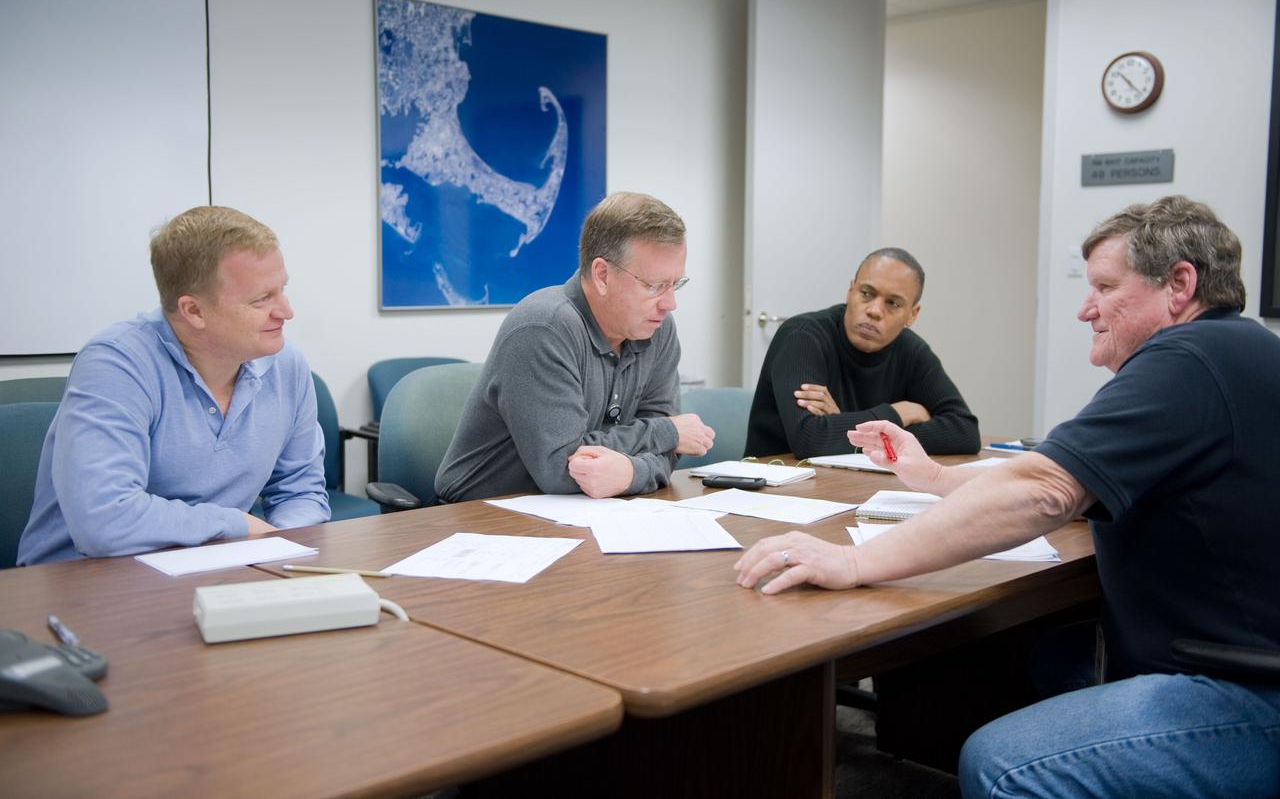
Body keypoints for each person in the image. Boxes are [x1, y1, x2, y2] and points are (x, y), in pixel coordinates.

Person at [735, 196, 1280, 796]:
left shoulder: (1184, 360)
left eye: (1103, 286)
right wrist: (938, 480)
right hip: (1231, 660)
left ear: (1179, 284)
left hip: (1239, 690)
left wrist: (855, 560)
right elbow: (1061, 469)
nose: (1084, 309)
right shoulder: (1240, 351)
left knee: (1003, 760)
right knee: (1042, 661)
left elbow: (1044, 489)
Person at [18, 206, 330, 565]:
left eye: (282, 290)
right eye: (262, 299)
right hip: (85, 580)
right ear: (193, 311)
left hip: (214, 567)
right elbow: (105, 520)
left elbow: (301, 491)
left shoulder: (286, 364)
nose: (286, 311)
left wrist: (284, 548)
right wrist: (235, 525)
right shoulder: (116, 363)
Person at [435, 191, 715, 502]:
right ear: (602, 275)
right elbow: (560, 468)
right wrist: (667, 433)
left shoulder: (656, 327)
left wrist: (631, 473)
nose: (670, 303)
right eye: (654, 286)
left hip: (585, 510)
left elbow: (668, 453)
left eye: (675, 284)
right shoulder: (544, 328)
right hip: (483, 514)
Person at [744, 247, 979, 459]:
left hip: (853, 485)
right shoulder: (803, 336)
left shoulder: (911, 350)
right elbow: (810, 439)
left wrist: (843, 423)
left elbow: (965, 432)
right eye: (866, 293)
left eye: (893, 303)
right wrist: (898, 413)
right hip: (776, 489)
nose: (874, 311)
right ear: (850, 290)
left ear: (912, 314)